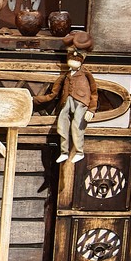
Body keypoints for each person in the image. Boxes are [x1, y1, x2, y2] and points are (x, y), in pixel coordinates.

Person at [33, 30, 97, 163]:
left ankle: (79, 151)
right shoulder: (66, 75)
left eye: (77, 56)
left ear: (83, 57)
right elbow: (53, 93)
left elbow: (94, 92)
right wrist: (37, 99)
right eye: (71, 55)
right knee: (62, 124)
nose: (73, 59)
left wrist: (91, 109)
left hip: (81, 102)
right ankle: (64, 152)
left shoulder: (86, 74)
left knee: (77, 126)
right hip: (66, 101)